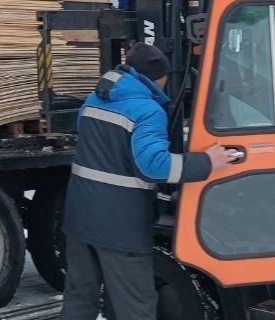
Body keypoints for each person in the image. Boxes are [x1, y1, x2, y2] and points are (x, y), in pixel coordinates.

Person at [60, 43, 236, 320]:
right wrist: (207, 161)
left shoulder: (94, 100)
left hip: (80, 217)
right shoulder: (147, 110)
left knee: (79, 298)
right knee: (136, 305)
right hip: (119, 227)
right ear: (160, 77)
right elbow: (152, 167)